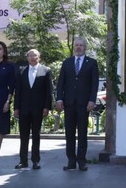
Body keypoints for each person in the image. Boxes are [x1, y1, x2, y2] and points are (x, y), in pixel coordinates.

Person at [55, 37, 99, 171]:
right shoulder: (67, 62)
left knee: (82, 133)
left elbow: (94, 84)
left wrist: (92, 100)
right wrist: (59, 99)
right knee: (69, 133)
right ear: (74, 47)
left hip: (83, 103)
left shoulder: (91, 63)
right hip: (68, 103)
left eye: (81, 45)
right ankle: (71, 161)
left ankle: (81, 161)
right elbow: (61, 82)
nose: (78, 47)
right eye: (77, 45)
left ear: (85, 47)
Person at [14, 49, 54, 170]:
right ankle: (23, 161)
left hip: (38, 109)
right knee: (23, 136)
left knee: (36, 135)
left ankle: (35, 160)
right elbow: (18, 92)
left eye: (35, 55)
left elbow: (49, 91)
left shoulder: (46, 70)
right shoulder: (21, 71)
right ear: (27, 58)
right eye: (30, 55)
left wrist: (47, 107)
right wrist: (16, 108)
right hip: (23, 109)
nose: (32, 57)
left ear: (39, 57)